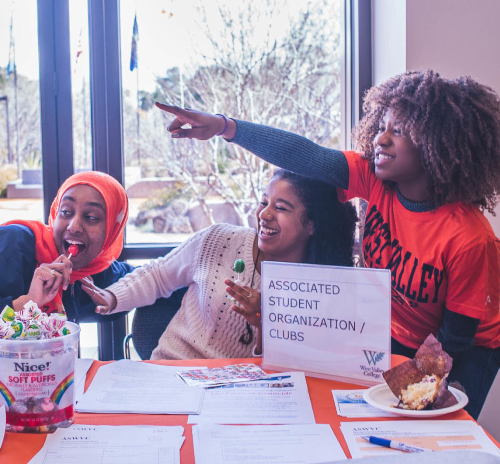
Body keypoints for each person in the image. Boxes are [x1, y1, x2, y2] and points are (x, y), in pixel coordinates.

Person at [155, 69, 500, 419]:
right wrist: (225, 127)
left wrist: (417, 388)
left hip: (467, 347)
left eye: (397, 131)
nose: (380, 140)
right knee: (372, 417)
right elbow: (305, 155)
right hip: (396, 328)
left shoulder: (468, 237)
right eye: (382, 126)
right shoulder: (375, 181)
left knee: (436, 425)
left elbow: (454, 340)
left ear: (433, 143)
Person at [83, 168, 357, 359]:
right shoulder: (219, 239)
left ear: (312, 224)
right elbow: (158, 275)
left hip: (242, 395)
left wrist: (266, 321)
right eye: (264, 202)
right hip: (172, 375)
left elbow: (290, 372)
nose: (264, 214)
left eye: (281, 208)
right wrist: (112, 296)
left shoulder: (319, 289)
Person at [0, 171, 134, 322]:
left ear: (112, 231)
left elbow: (154, 279)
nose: (74, 226)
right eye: (66, 212)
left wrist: (114, 297)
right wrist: (27, 303)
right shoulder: (12, 243)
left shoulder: (98, 272)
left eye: (91, 217)